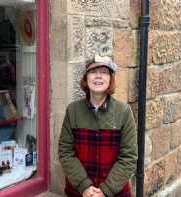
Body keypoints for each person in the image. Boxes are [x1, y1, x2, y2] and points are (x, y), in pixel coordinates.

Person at [58, 55, 137, 197]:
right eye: (93, 72)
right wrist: (84, 187)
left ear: (111, 79)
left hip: (115, 192)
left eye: (104, 72)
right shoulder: (73, 111)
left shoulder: (124, 112)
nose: (98, 76)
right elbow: (65, 152)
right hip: (79, 191)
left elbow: (129, 157)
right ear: (86, 78)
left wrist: (105, 190)